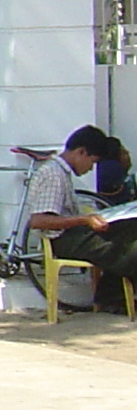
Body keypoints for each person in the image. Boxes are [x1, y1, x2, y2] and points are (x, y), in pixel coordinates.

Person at [24, 124, 137, 296]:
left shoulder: (60, 172)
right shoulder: (53, 174)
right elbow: (38, 221)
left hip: (75, 234)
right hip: (64, 240)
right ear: (81, 152)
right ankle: (112, 298)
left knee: (130, 232)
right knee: (126, 250)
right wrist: (84, 220)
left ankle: (111, 298)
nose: (91, 168)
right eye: (93, 162)